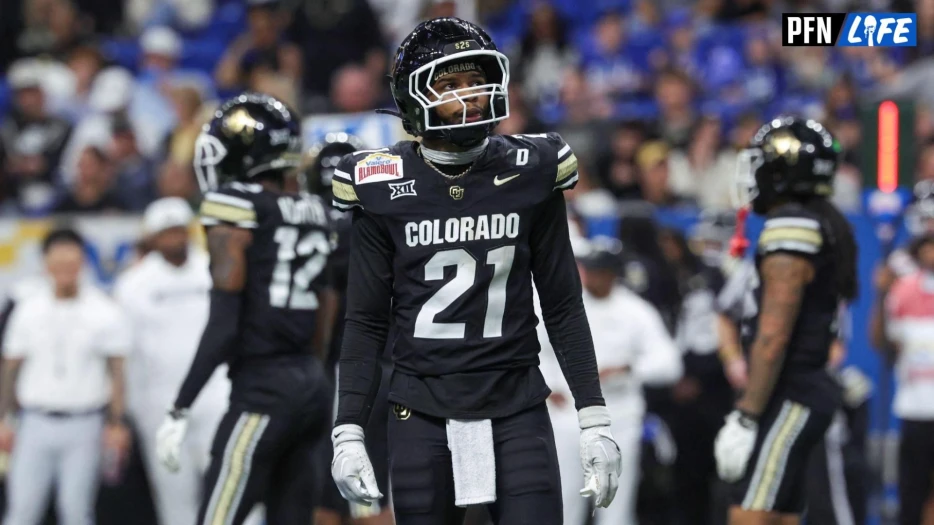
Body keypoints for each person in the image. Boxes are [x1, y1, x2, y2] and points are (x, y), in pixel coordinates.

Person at [328, 17, 622, 525]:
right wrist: (349, 428)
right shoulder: (379, 180)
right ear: (411, 98)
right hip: (420, 409)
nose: (474, 95)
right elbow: (366, 320)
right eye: (450, 84)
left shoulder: (534, 168)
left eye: (478, 80)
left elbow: (562, 303)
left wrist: (593, 416)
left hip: (517, 402)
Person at [154, 93, 334, 525]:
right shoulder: (314, 209)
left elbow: (224, 325)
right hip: (312, 386)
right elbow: (329, 305)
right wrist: (311, 369)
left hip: (264, 391)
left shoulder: (234, 206)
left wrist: (181, 404)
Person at [714, 116, 859, 525]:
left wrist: (746, 414)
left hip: (791, 392)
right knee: (782, 515)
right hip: (803, 390)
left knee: (749, 513)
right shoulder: (820, 220)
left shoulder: (792, 226)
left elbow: (773, 334)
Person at [540, 237, 682, 525]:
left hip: (619, 418)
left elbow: (670, 363)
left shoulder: (635, 311)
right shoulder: (562, 305)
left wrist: (629, 369)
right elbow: (534, 352)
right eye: (590, 269)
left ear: (615, 273)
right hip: (567, 417)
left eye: (602, 270)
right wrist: (544, 387)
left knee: (614, 506)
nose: (594, 276)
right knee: (566, 503)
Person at [0, 228, 132, 525]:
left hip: (84, 423)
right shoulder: (28, 309)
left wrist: (116, 422)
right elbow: (11, 367)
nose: (64, 272)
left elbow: (117, 371)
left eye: (71, 265)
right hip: (34, 422)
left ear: (82, 263)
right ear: (45, 265)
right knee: (22, 511)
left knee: (76, 511)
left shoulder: (103, 310)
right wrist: (3, 419)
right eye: (57, 265)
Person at [113, 197, 230, 525]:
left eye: (179, 230)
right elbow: (126, 352)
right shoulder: (133, 284)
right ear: (152, 238)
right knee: (174, 500)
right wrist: (131, 411)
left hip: (216, 398)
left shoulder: (217, 269)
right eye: (165, 233)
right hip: (160, 406)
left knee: (229, 490)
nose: (174, 239)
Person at [303, 135, 395, 525]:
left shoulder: (313, 229)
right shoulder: (381, 221)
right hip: (375, 365)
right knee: (360, 488)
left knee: (337, 487)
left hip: (339, 368)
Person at [876, 232, 934, 525]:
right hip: (916, 411)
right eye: (928, 246)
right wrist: (881, 293)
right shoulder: (904, 291)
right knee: (912, 496)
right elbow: (884, 345)